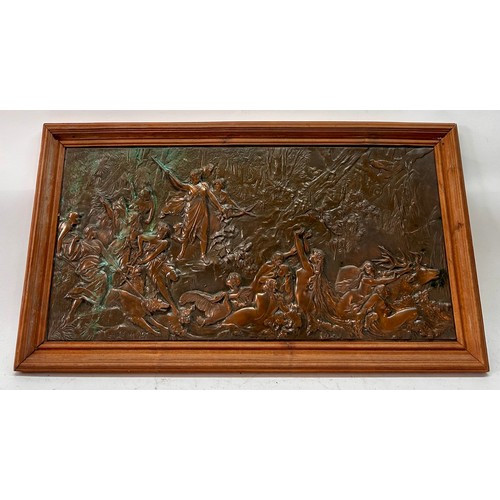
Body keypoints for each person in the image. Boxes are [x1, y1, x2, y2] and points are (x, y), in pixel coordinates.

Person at [155, 158, 225, 261]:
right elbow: (179, 184)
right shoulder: (189, 186)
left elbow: (211, 196)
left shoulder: (204, 185)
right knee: (186, 232)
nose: (192, 179)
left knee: (203, 233)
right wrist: (169, 175)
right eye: (191, 177)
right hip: (191, 212)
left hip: (202, 212)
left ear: (198, 176)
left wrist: (220, 207)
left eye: (194, 177)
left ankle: (203, 255)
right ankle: (182, 252)